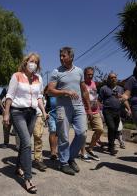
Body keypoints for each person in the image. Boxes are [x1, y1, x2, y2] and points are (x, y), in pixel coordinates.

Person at [3, 53, 47, 193]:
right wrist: (6, 113)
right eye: (31, 61)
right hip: (17, 112)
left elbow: (39, 97)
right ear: (26, 62)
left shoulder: (38, 78)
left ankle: (18, 167)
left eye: (35, 62)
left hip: (32, 113)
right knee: (27, 143)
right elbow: (9, 95)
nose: (33, 64)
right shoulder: (16, 76)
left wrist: (44, 112)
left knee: (23, 143)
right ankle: (28, 178)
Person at [47, 47, 92, 176]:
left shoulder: (79, 71)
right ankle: (64, 163)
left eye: (64, 56)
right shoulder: (56, 72)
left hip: (78, 107)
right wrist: (65, 92)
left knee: (82, 133)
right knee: (64, 136)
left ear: (71, 57)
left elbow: (84, 90)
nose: (61, 58)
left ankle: (70, 157)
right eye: (60, 56)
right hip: (62, 107)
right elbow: (50, 91)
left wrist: (88, 107)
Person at [99, 73, 131, 156]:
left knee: (116, 129)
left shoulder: (120, 89)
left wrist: (129, 109)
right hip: (107, 111)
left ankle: (111, 144)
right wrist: (99, 110)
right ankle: (111, 146)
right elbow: (99, 100)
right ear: (108, 79)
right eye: (111, 77)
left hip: (117, 111)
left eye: (115, 77)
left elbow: (124, 100)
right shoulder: (104, 88)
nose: (113, 79)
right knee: (111, 127)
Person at [80, 67, 103, 162]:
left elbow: (94, 96)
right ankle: (83, 153)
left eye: (91, 74)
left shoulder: (93, 83)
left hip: (95, 110)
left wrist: (99, 107)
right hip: (84, 111)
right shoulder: (81, 84)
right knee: (83, 133)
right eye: (88, 74)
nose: (90, 76)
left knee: (100, 129)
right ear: (84, 75)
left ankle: (90, 148)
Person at [44, 86, 58, 160]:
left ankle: (55, 150)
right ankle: (52, 152)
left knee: (57, 133)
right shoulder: (49, 92)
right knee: (53, 131)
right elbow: (44, 91)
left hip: (60, 114)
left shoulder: (61, 90)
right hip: (51, 113)